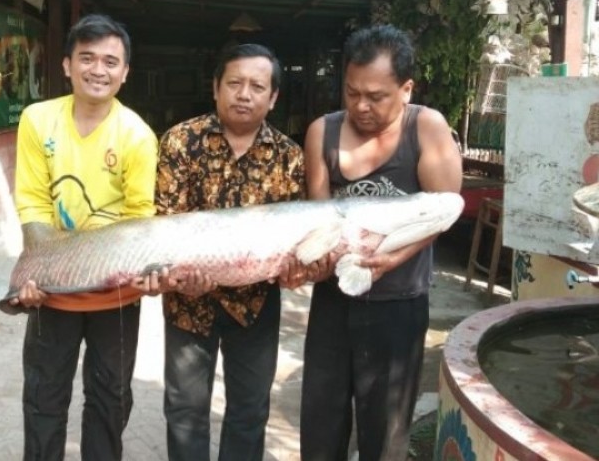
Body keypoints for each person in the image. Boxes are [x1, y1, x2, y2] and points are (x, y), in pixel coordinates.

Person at [300, 24, 462, 461]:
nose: (361, 105)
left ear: (406, 89)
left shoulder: (426, 128)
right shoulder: (323, 132)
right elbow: (318, 217)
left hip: (398, 301)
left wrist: (392, 259)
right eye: (352, 93)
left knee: (385, 431)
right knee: (321, 421)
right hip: (333, 301)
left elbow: (445, 212)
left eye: (376, 96)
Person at [141, 43, 306, 461]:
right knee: (184, 411)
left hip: (255, 302)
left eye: (257, 86)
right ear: (216, 88)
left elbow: (294, 237)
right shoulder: (180, 142)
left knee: (249, 412)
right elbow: (166, 220)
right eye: (234, 83)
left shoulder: (289, 158)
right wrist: (180, 274)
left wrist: (297, 268)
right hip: (187, 302)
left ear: (273, 97)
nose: (244, 94)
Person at [5, 14, 158, 461]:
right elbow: (32, 202)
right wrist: (37, 272)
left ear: (125, 72)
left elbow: (138, 219)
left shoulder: (137, 136)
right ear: (67, 65)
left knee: (109, 401)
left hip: (116, 293)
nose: (98, 70)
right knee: (44, 398)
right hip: (53, 293)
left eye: (111, 61)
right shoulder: (38, 119)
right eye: (87, 58)